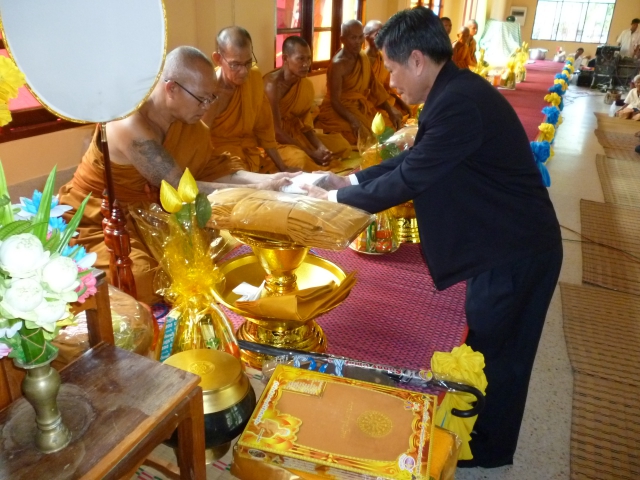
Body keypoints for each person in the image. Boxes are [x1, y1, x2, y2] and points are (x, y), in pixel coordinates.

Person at [303, 7, 562, 468]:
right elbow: (412, 160)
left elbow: (411, 178)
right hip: (501, 240)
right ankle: (478, 434)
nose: (389, 81)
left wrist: (335, 201)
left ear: (417, 60)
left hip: (515, 248)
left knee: (502, 353)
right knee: (487, 338)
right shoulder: (454, 92)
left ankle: (488, 449)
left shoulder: (459, 103)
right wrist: (349, 181)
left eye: (391, 67)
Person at [59, 46, 293, 305]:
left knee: (213, 254)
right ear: (171, 88)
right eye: (201, 99)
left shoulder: (190, 125)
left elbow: (215, 170)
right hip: (99, 217)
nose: (206, 107)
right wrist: (259, 190)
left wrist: (271, 181)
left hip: (148, 213)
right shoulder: (128, 123)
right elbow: (181, 188)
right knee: (141, 279)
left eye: (211, 99)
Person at [203, 26, 308, 173]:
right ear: (218, 59)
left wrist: (283, 167)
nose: (244, 71)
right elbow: (200, 142)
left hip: (251, 156)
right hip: (223, 162)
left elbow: (264, 129)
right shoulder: (209, 92)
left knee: (298, 164)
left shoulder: (254, 77)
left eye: (248, 62)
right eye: (235, 65)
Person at [263, 36, 351, 170]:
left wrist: (320, 147)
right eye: (300, 59)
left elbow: (305, 126)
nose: (306, 64)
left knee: (342, 144)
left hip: (297, 136)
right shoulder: (271, 85)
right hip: (274, 142)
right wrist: (311, 153)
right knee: (301, 160)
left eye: (309, 58)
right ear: (285, 59)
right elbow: (276, 132)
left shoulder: (305, 85)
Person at [315, 20, 402, 145]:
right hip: (339, 110)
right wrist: (353, 120)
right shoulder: (338, 64)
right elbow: (335, 101)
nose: (358, 42)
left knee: (387, 128)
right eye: (353, 38)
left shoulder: (362, 57)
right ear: (343, 39)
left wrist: (390, 110)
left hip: (359, 107)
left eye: (360, 37)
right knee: (357, 137)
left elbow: (374, 86)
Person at [364, 20, 411, 117]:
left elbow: (388, 88)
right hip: (370, 103)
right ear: (367, 37)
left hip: (385, 99)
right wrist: (389, 109)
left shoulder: (382, 57)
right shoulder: (361, 60)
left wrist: (401, 102)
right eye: (378, 34)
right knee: (387, 118)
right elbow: (369, 92)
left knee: (411, 106)